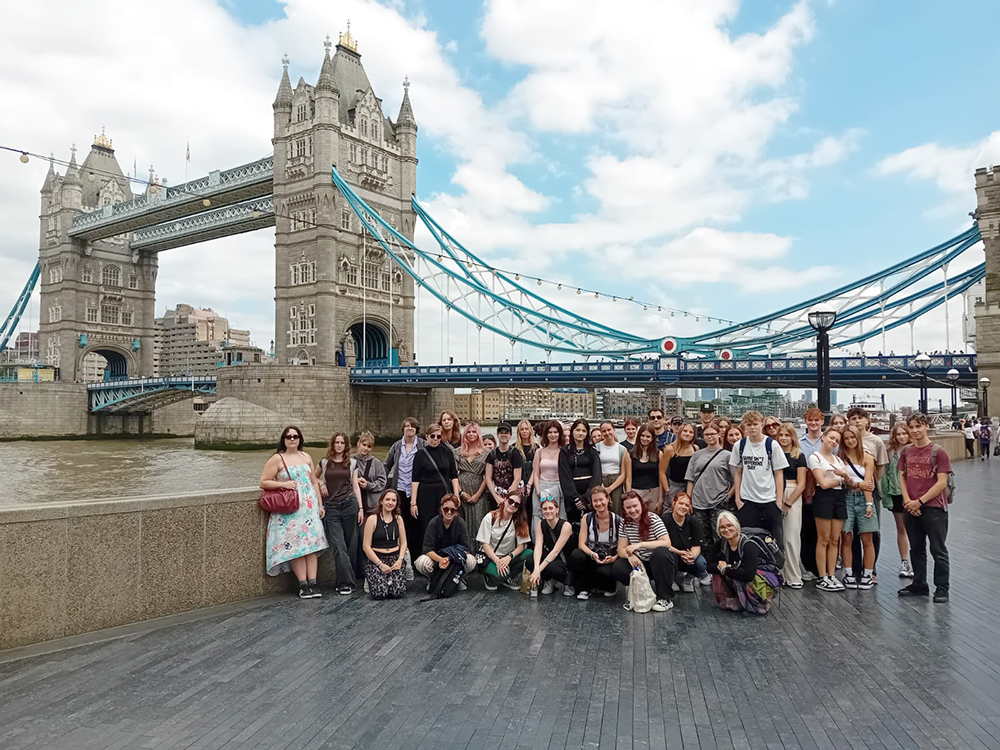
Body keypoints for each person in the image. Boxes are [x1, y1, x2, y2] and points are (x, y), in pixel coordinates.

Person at [261, 426, 329, 599]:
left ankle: (313, 583)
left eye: (295, 436)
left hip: (309, 508)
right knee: (297, 547)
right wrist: (282, 484)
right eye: (288, 436)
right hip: (290, 509)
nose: (292, 439)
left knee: (312, 546)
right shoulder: (277, 458)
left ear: (300, 439)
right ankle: (303, 585)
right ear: (283, 439)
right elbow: (264, 482)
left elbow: (314, 482)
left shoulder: (306, 456)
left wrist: (320, 505)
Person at [898, 414, 951, 603]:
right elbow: (901, 476)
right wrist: (907, 500)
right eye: (911, 427)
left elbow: (941, 482)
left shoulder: (938, 452)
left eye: (918, 426)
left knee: (938, 549)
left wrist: (919, 502)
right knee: (916, 548)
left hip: (934, 507)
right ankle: (919, 584)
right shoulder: (906, 451)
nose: (914, 430)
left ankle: (942, 588)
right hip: (911, 507)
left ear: (926, 426)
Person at [612, 491, 677, 612]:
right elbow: (621, 549)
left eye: (635, 506)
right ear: (624, 509)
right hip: (640, 562)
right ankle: (639, 593)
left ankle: (665, 598)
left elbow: (666, 543)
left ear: (641, 505)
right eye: (628, 507)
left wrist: (640, 545)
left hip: (658, 561)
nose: (632, 510)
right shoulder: (624, 523)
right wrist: (630, 556)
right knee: (618, 567)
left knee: (661, 554)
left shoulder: (653, 519)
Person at [730, 411, 788, 546]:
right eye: (749, 424)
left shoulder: (772, 445)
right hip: (748, 499)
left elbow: (779, 474)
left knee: (774, 541)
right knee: (749, 540)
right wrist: (738, 498)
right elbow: (738, 472)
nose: (752, 428)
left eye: (755, 424)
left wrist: (778, 501)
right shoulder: (740, 445)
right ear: (744, 426)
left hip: (769, 499)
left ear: (762, 425)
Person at [708, 511, 780, 615]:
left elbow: (748, 575)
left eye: (729, 525)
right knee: (718, 575)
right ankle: (735, 601)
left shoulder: (749, 545)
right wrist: (722, 568)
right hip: (740, 572)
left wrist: (725, 569)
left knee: (745, 577)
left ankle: (758, 605)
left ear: (736, 526)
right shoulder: (722, 543)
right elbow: (708, 565)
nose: (726, 529)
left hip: (761, 578)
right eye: (722, 527)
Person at [317, 432, 362, 595]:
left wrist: (361, 508)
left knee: (351, 545)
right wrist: (321, 483)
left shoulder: (352, 463)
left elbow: (355, 486)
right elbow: (313, 478)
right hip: (331, 507)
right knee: (338, 545)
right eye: (337, 442)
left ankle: (344, 580)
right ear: (332, 444)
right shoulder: (324, 462)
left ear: (346, 445)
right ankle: (346, 583)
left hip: (349, 504)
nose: (339, 445)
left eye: (342, 443)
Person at [847, 406, 888, 584]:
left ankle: (871, 569)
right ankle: (856, 569)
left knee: (872, 531)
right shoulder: (846, 439)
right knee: (852, 532)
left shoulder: (876, 441)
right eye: (853, 418)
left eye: (860, 418)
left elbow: (881, 466)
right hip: (850, 492)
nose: (857, 421)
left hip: (871, 492)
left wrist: (872, 483)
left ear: (867, 420)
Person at [808, 428, 850, 592]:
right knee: (823, 538)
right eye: (831, 438)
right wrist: (841, 479)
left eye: (836, 441)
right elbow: (823, 483)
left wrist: (843, 478)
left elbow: (849, 481)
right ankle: (822, 576)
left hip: (839, 499)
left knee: (835, 539)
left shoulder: (838, 460)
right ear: (823, 438)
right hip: (824, 498)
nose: (833, 442)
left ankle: (832, 575)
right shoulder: (815, 457)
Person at [684, 420, 734, 559]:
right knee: (702, 538)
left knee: (720, 536)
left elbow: (736, 480)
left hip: (719, 501)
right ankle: (706, 565)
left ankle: (721, 563)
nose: (710, 437)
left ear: (718, 434)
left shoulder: (727, 455)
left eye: (712, 434)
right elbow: (690, 479)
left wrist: (728, 496)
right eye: (707, 434)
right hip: (699, 501)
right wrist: (688, 500)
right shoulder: (697, 455)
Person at [839, 426, 878, 590]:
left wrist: (869, 504)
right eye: (847, 438)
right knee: (847, 537)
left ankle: (867, 574)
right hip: (847, 497)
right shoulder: (840, 458)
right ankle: (848, 573)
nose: (850, 441)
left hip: (863, 498)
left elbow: (868, 483)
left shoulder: (868, 458)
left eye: (853, 437)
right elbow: (843, 482)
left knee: (867, 538)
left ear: (858, 438)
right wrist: (856, 484)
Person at [411, 424, 461, 548]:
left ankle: (444, 551)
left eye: (438, 437)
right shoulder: (420, 454)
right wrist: (413, 502)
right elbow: (415, 479)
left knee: (445, 522)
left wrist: (456, 495)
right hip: (425, 494)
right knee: (427, 525)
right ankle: (428, 552)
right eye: (432, 436)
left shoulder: (447, 452)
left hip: (443, 493)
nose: (435, 439)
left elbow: (453, 475)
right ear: (427, 437)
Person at [569, 486, 621, 599]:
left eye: (601, 499)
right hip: (591, 556)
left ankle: (608, 586)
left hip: (609, 559)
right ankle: (584, 589)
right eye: (595, 501)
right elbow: (581, 544)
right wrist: (592, 554)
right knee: (576, 555)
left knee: (606, 573)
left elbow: (622, 547)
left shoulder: (617, 520)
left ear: (608, 499)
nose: (598, 503)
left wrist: (613, 558)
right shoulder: (587, 518)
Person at [414, 493, 477, 584]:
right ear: (441, 509)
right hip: (436, 558)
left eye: (453, 510)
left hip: (455, 558)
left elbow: (466, 548)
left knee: (471, 561)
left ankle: (457, 578)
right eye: (446, 509)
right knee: (421, 563)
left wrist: (448, 558)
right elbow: (427, 549)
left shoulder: (460, 523)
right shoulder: (433, 523)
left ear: (456, 511)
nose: (449, 512)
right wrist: (440, 560)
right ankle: (434, 580)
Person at [384, 417, 424, 556]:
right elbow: (387, 465)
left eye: (412, 426)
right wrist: (383, 483)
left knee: (416, 525)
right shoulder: (396, 446)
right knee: (401, 523)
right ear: (403, 429)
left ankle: (416, 556)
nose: (409, 428)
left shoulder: (422, 445)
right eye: (407, 426)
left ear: (416, 429)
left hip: (416, 492)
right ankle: (401, 555)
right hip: (400, 489)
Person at [477, 490, 532, 591]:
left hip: (507, 557)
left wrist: (509, 557)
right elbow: (485, 544)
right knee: (500, 576)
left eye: (516, 504)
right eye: (510, 501)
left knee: (530, 554)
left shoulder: (519, 520)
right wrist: (497, 561)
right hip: (490, 557)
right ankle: (490, 576)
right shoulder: (490, 517)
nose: (512, 505)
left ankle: (506, 576)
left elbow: (522, 545)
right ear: (505, 500)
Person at [776, 422, 807, 589]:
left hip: (792, 493)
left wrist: (788, 503)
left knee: (792, 537)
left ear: (792, 437)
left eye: (787, 435)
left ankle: (794, 575)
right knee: (777, 537)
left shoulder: (799, 456)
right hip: (775, 493)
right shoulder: (774, 455)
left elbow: (802, 484)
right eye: (781, 435)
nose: (783, 438)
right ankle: (779, 574)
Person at [361, 489, 408, 599]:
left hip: (395, 558)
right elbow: (366, 546)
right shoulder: (372, 519)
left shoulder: (398, 519)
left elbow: (403, 542)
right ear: (381, 501)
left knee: (398, 592)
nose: (390, 503)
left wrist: (400, 560)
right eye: (387, 499)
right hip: (377, 559)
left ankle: (389, 581)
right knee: (380, 593)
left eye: (393, 500)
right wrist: (380, 564)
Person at [882, 423, 914, 579]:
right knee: (901, 528)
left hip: (914, 494)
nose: (902, 437)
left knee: (915, 529)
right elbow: (884, 475)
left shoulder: (915, 450)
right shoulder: (890, 452)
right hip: (896, 493)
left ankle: (916, 561)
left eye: (904, 433)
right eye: (898, 434)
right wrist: (886, 498)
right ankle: (904, 561)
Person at [527, 496, 576, 595]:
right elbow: (538, 547)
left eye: (551, 508)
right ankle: (549, 580)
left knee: (552, 567)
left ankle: (566, 582)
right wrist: (536, 568)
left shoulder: (566, 526)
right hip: (549, 556)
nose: (548, 511)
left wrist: (538, 571)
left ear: (557, 510)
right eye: (545, 509)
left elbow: (556, 551)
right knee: (530, 561)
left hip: (564, 559)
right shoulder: (540, 524)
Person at [799, 407, 825, 583]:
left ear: (822, 421)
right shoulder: (799, 442)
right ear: (806, 422)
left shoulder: (828, 441)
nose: (813, 423)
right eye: (810, 420)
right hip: (805, 489)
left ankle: (821, 567)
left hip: (824, 489)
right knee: (805, 529)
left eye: (817, 420)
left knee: (822, 531)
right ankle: (808, 566)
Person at [559, 418, 602, 524]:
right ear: (572, 431)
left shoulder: (592, 451)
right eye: (578, 430)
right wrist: (576, 498)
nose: (580, 433)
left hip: (589, 495)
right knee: (573, 524)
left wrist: (586, 497)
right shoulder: (565, 452)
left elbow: (597, 474)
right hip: (572, 494)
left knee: (591, 523)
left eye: (583, 431)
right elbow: (564, 476)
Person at [663, 492, 708, 592]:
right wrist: (680, 553)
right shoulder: (665, 520)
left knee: (701, 563)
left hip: (687, 555)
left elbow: (697, 545)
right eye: (681, 503)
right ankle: (671, 579)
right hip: (672, 553)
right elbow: (663, 543)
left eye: (687, 505)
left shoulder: (693, 521)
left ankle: (688, 579)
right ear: (674, 503)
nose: (683, 507)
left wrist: (692, 556)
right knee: (664, 557)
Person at [456, 421, 489, 540]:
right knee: (462, 523)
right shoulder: (457, 452)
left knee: (478, 522)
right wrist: (460, 492)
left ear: (478, 434)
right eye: (468, 432)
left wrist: (477, 495)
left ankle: (479, 549)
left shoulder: (486, 453)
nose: (471, 434)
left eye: (474, 432)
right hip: (462, 491)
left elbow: (488, 476)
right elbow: (453, 475)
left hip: (478, 491)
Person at [531, 420, 566, 523]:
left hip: (558, 487)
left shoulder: (564, 452)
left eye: (555, 432)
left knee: (557, 517)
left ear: (559, 434)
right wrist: (538, 490)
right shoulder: (539, 452)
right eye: (550, 432)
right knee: (539, 516)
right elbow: (536, 473)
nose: (553, 435)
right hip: (541, 486)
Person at [659, 422, 698, 512]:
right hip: (674, 486)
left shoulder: (695, 448)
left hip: (690, 485)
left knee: (687, 511)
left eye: (691, 432)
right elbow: (662, 472)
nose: (687, 434)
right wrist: (667, 490)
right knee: (671, 510)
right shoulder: (670, 449)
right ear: (680, 432)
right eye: (685, 431)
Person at [486, 422, 524, 511]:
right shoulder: (492, 454)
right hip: (496, 494)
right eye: (501, 432)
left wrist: (508, 498)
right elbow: (488, 477)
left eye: (506, 433)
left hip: (512, 495)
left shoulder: (515, 453)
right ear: (497, 435)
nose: (503, 435)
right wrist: (496, 497)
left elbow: (517, 477)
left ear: (510, 436)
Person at [627, 423, 662, 513]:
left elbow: (661, 477)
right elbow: (628, 479)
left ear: (652, 438)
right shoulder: (630, 454)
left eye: (648, 436)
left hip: (654, 491)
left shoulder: (658, 454)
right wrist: (629, 496)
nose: (644, 439)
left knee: (653, 518)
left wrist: (661, 499)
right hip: (636, 491)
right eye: (642, 436)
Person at [352, 431, 388, 517]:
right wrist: (355, 480)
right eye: (364, 445)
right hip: (353, 503)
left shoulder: (377, 463)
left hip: (372, 505)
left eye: (369, 446)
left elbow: (382, 482)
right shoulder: (350, 460)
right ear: (358, 444)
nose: (365, 448)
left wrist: (368, 485)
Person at [597, 420, 630, 514]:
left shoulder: (622, 449)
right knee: (601, 509)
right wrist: (602, 487)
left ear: (614, 430)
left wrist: (610, 489)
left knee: (616, 509)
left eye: (609, 430)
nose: (607, 433)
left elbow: (623, 473)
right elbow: (595, 469)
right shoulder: (596, 447)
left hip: (616, 482)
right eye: (604, 431)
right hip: (601, 481)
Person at [515, 419, 537, 496]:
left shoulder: (536, 448)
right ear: (519, 432)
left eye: (526, 429)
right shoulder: (514, 448)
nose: (524, 431)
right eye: (522, 429)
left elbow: (537, 467)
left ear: (530, 430)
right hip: (518, 482)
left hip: (533, 481)